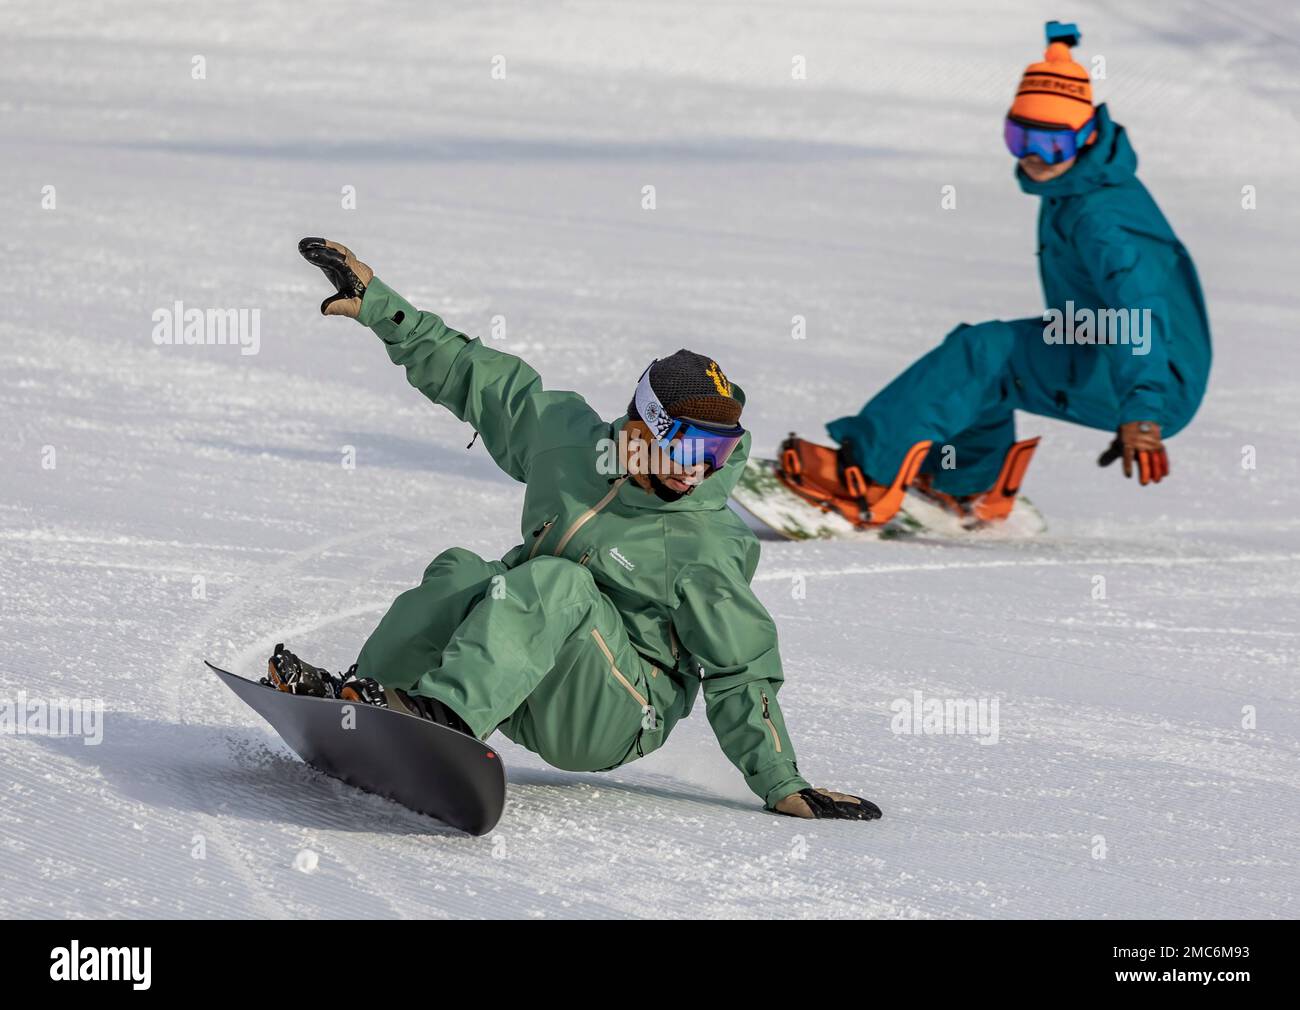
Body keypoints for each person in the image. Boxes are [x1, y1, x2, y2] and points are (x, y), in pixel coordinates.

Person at [273, 236, 882, 821]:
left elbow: (741, 670)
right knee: (460, 571)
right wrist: (381, 305)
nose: (702, 469)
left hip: (617, 711)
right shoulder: (569, 443)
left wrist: (782, 782)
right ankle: (369, 705)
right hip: (525, 676)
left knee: (555, 583)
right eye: (693, 444)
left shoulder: (705, 543)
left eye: (720, 452)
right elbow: (472, 375)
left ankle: (443, 723)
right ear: (644, 425)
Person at [777, 22, 1211, 528]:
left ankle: (868, 478)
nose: (1031, 156)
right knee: (985, 358)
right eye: (1019, 136)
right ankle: (963, 484)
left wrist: (1142, 409)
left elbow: (1140, 313)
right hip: (1123, 356)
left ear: (1088, 135)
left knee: (986, 354)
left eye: (1050, 145)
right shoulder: (1084, 181)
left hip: (1147, 373)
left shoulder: (1102, 219)